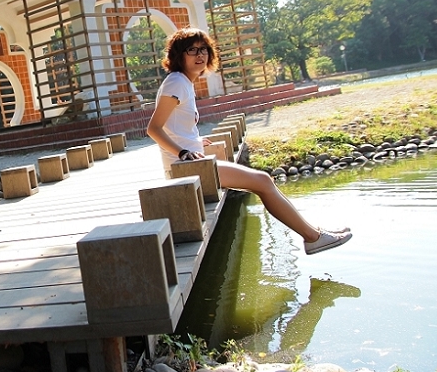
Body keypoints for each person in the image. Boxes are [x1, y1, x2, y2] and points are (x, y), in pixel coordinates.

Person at [146, 27, 352, 255]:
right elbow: (153, 129)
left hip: (194, 164)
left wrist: (194, 140)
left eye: (203, 49)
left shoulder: (184, 82)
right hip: (186, 168)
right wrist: (183, 151)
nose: (200, 55)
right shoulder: (176, 83)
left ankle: (314, 233)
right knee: (263, 181)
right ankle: (313, 237)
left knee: (263, 181)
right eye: (192, 50)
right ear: (179, 55)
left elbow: (174, 125)